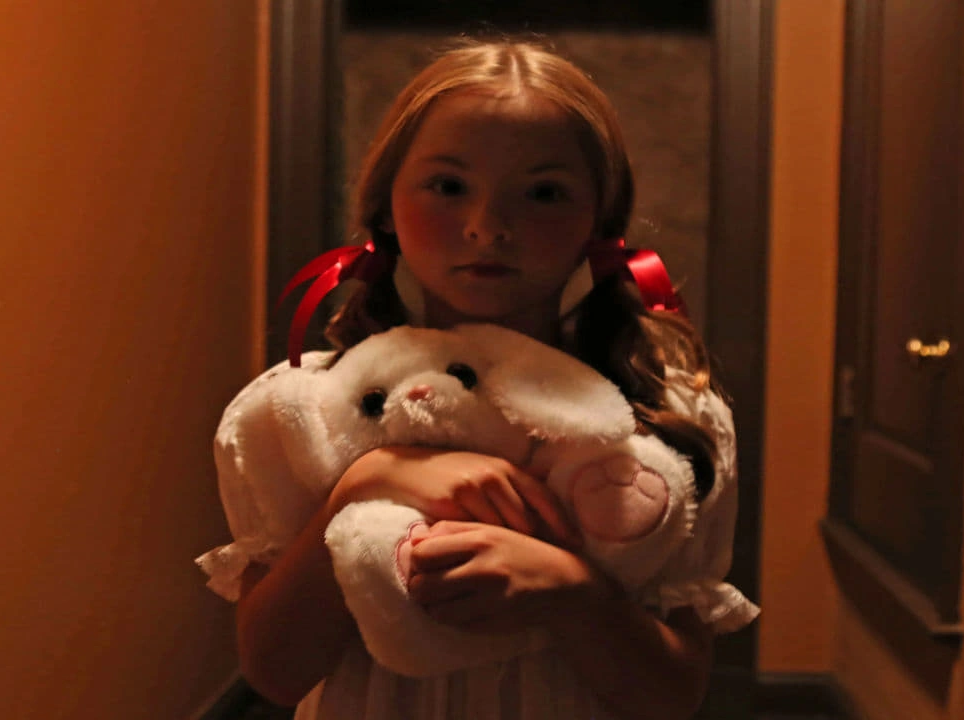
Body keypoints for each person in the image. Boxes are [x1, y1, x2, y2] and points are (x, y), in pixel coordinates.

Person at [227, 38, 757, 720]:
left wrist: (575, 594)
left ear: (601, 219)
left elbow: (672, 694)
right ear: (385, 205)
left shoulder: (670, 418)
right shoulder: (305, 411)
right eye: (448, 187)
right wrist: (365, 482)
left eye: (543, 193)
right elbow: (274, 672)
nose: (488, 228)